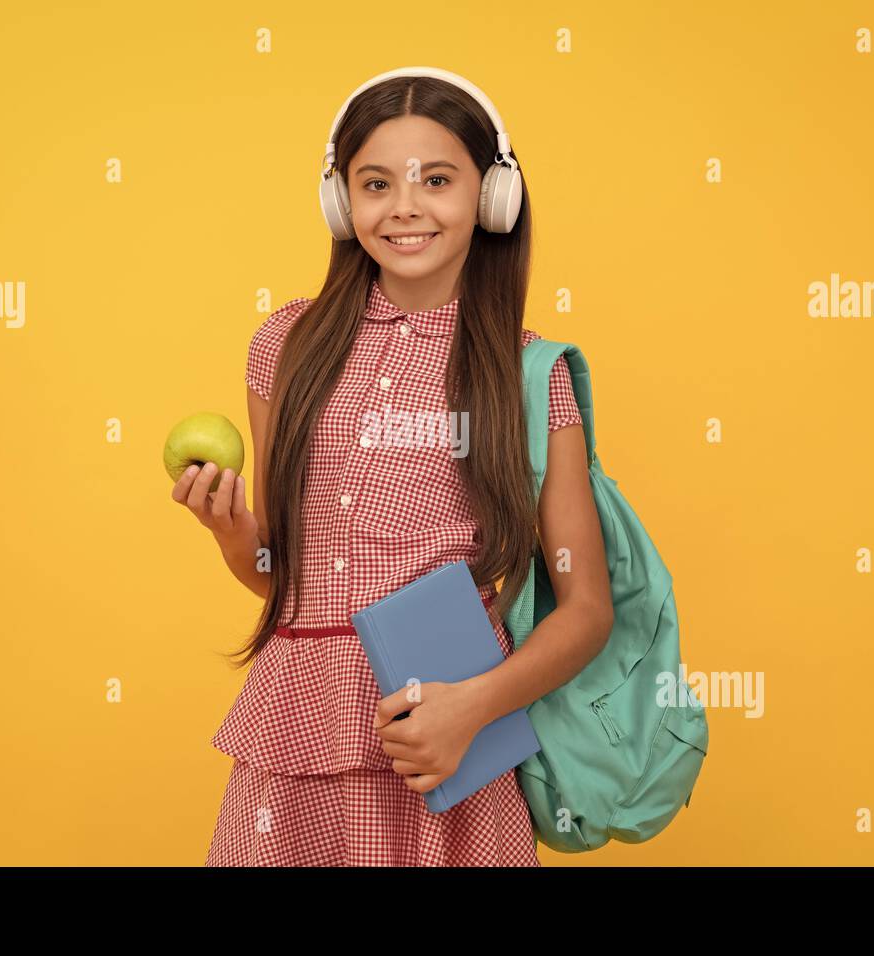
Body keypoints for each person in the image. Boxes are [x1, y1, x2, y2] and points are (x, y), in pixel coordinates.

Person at [171, 67, 614, 866]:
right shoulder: (287, 347)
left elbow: (586, 610)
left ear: (491, 198)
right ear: (343, 204)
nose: (404, 206)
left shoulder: (528, 375)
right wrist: (234, 533)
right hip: (293, 734)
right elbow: (283, 577)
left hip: (444, 744)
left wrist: (472, 709)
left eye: (436, 180)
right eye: (375, 183)